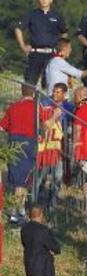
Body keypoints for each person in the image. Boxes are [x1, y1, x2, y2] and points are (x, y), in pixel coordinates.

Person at [14, 0, 67, 85]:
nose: (44, 0)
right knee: (29, 83)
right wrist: (23, 46)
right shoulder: (31, 14)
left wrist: (62, 49)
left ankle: (45, 101)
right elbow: (18, 29)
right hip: (35, 54)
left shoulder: (57, 16)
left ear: (51, 0)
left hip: (51, 55)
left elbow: (64, 32)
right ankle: (30, 101)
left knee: (50, 84)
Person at [0, 84, 36, 224]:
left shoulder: (13, 107)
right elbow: (43, 125)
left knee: (17, 179)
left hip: (14, 143)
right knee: (24, 179)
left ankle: (18, 210)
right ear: (33, 94)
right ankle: (17, 211)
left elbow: (2, 127)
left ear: (22, 92)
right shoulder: (36, 108)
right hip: (30, 143)